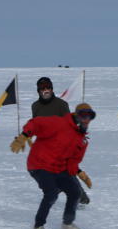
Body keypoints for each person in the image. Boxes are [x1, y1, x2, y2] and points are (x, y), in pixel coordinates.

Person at [11, 102, 95, 229]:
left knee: (75, 192)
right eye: (83, 115)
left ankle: (67, 224)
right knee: (51, 193)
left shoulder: (82, 139)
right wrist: (24, 136)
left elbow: (72, 161)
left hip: (59, 168)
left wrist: (80, 174)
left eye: (90, 117)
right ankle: (38, 227)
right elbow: (36, 123)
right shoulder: (59, 123)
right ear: (76, 115)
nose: (86, 120)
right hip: (39, 164)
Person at [31, 77, 91, 205]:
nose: (46, 90)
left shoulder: (61, 105)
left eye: (48, 88)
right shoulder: (35, 106)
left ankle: (81, 197)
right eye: (43, 88)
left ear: (52, 89)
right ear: (39, 91)